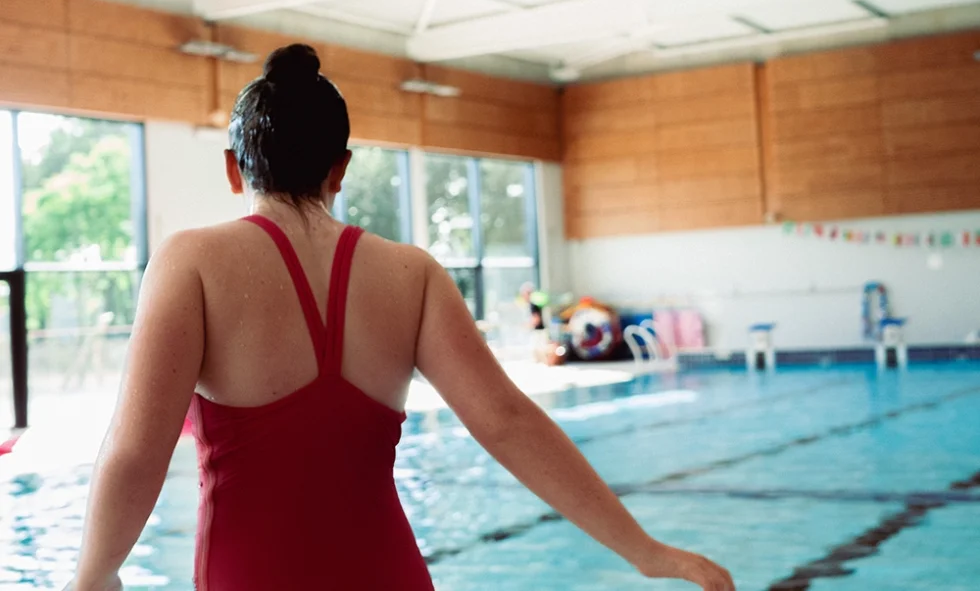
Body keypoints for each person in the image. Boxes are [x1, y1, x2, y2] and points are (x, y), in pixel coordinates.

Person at [68, 45, 734, 591]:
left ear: (233, 170)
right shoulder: (411, 273)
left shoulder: (190, 262)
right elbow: (507, 422)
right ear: (342, 169)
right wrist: (644, 550)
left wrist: (93, 575)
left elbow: (135, 450)